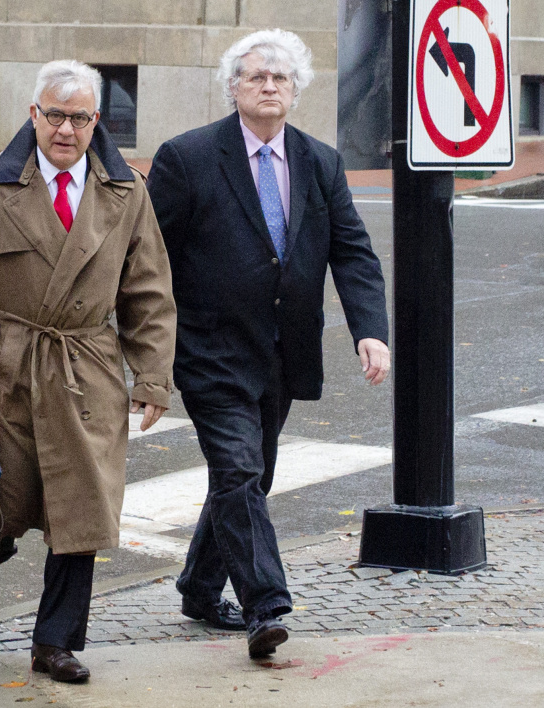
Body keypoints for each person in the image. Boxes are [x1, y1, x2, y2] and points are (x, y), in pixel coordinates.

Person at [0, 59, 176, 683]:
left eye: (81, 118)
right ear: (33, 115)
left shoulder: (125, 193)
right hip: (6, 371)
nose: (67, 130)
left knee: (82, 510)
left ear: (98, 122)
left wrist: (150, 378)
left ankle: (55, 641)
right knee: (2, 505)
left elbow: (147, 292)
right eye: (55, 115)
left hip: (87, 369)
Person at [146, 29, 390, 659]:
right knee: (239, 470)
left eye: (281, 78)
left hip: (283, 352)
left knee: (247, 479)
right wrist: (145, 348)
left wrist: (370, 330)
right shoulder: (188, 157)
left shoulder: (319, 161)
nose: (269, 86)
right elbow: (146, 259)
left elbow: (352, 251)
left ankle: (200, 588)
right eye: (256, 76)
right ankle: (266, 605)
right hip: (208, 350)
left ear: (295, 90)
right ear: (234, 86)